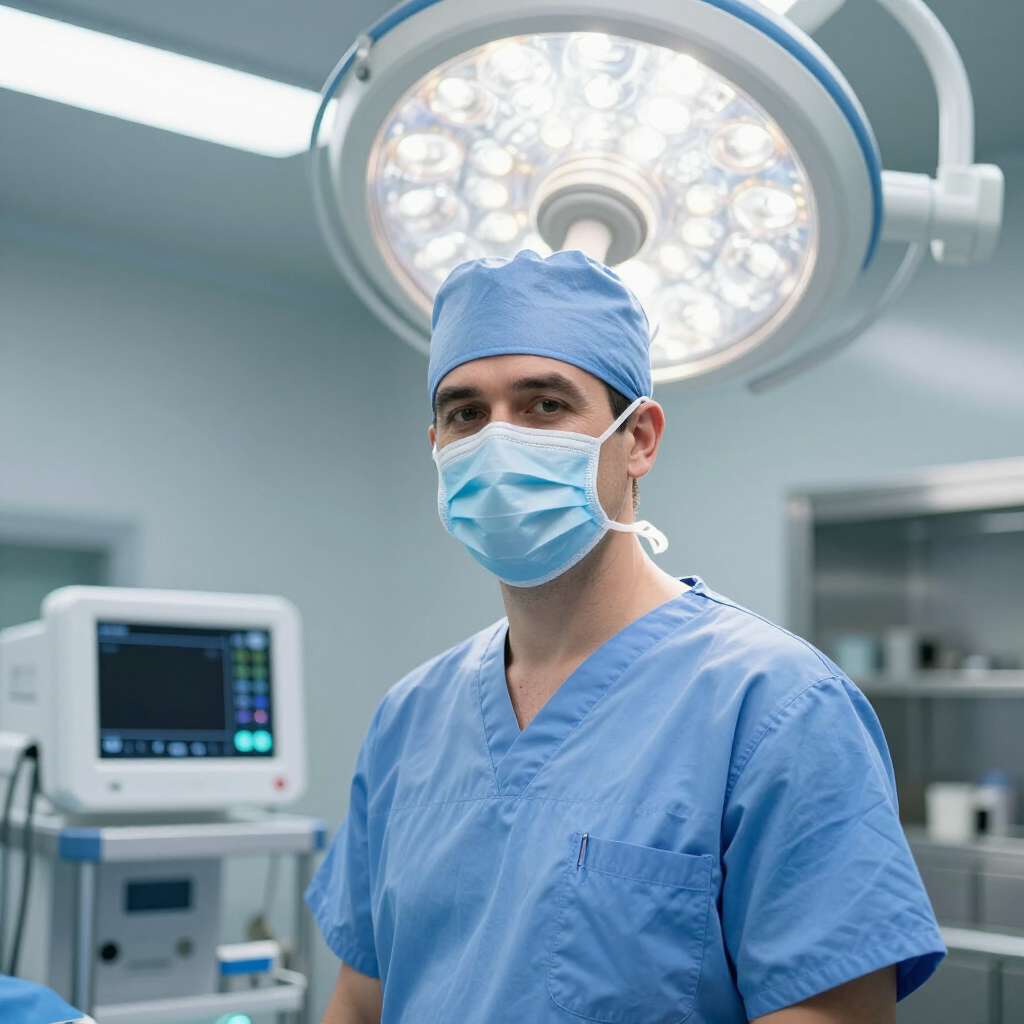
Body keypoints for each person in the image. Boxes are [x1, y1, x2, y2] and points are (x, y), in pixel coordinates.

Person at [307, 250, 944, 1024]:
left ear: (638, 438)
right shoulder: (408, 720)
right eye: (465, 413)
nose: (497, 441)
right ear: (437, 445)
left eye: (544, 405)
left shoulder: (777, 707)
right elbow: (357, 999)